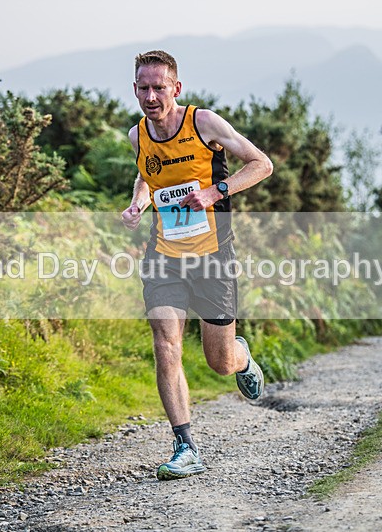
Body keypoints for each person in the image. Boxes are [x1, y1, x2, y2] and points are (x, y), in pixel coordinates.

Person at [121, 50, 274, 480]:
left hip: (213, 256)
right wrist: (137, 204)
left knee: (219, 361)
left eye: (159, 87)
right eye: (143, 88)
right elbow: (147, 176)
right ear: (135, 89)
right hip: (164, 256)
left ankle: (241, 357)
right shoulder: (137, 135)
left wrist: (214, 192)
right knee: (165, 340)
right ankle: (185, 446)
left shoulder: (203, 123)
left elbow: (262, 164)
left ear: (176, 88)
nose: (151, 96)